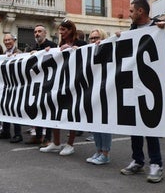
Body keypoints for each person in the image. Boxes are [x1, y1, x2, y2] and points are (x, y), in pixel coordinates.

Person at [118, 0, 165, 183]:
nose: (129, 14)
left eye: (131, 11)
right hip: (134, 84)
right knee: (134, 125)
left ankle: (156, 164)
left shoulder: (157, 27)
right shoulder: (132, 30)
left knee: (150, 124)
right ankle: (138, 160)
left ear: (140, 11)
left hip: (152, 85)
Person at [39, 19, 87, 155]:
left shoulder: (81, 43)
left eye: (63, 30)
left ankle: (70, 144)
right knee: (55, 112)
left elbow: (87, 56)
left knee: (71, 113)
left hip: (75, 83)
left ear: (71, 30)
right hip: (60, 83)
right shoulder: (60, 44)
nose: (61, 32)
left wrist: (73, 49)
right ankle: (56, 142)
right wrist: (48, 51)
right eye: (60, 30)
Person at [25, 25, 57, 147]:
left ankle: (47, 138)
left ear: (45, 33)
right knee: (37, 109)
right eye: (35, 32)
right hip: (36, 84)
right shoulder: (33, 47)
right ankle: (38, 136)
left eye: (39, 31)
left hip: (48, 83)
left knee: (47, 110)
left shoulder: (52, 46)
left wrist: (40, 53)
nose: (37, 34)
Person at [85, 28, 112, 165]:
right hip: (93, 90)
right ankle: (99, 150)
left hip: (106, 90)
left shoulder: (108, 50)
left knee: (104, 124)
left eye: (96, 38)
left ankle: (105, 153)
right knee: (95, 123)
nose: (94, 41)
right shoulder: (88, 52)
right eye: (91, 38)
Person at [0, 33, 23, 143]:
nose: (7, 42)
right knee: (4, 108)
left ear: (14, 41)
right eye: (5, 40)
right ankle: (6, 132)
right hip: (5, 85)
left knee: (14, 109)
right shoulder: (3, 54)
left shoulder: (20, 53)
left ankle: (18, 134)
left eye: (9, 40)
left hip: (16, 86)